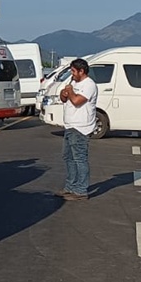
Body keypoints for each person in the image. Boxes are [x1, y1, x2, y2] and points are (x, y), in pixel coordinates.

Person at [57, 58, 98, 200]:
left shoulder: (89, 85)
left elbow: (76, 101)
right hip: (69, 125)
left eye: (74, 71)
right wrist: (64, 92)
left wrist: (70, 92)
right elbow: (64, 99)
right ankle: (70, 186)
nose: (71, 73)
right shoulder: (73, 83)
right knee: (68, 157)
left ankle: (81, 190)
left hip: (81, 127)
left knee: (79, 158)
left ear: (82, 71)